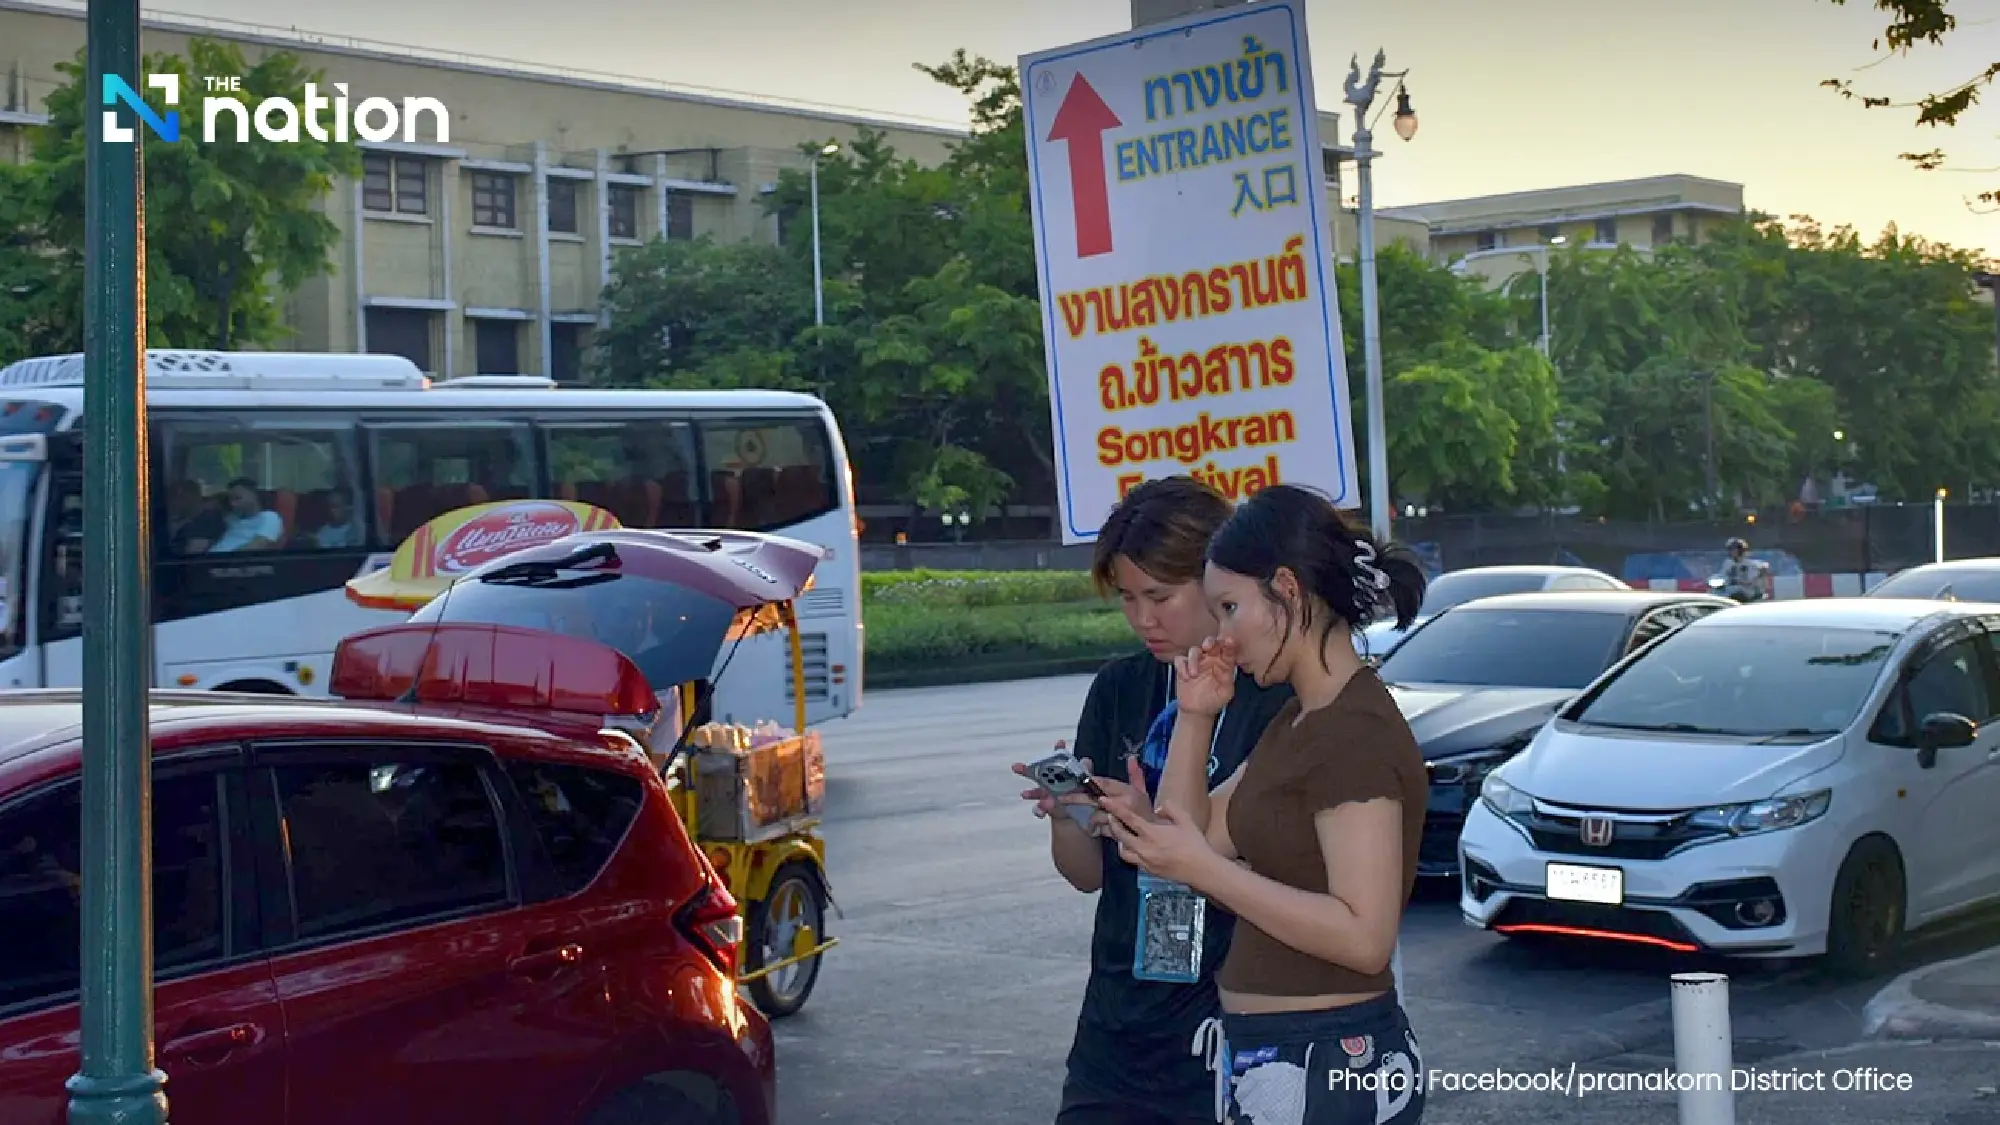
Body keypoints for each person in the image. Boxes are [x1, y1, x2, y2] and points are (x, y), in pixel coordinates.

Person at [1099, 484, 1430, 1125]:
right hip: (1278, 1057)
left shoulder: (1349, 731)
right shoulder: (1300, 719)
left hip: (1329, 1057)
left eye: (1229, 607)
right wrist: (1196, 716)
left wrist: (1204, 870)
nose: (1222, 633)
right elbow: (1190, 833)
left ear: (1285, 591)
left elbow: (1365, 936)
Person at [1012, 476, 1293, 1125]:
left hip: (1230, 1025)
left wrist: (1165, 837)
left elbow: (1289, 879)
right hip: (1116, 1026)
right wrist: (1070, 817)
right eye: (1129, 598)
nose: (1143, 618)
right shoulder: (1119, 687)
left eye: (1160, 596)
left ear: (1218, 580)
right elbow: (1086, 875)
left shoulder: (1271, 697)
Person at [208, 479, 284, 553]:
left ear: (254, 496)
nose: (232, 504)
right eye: (230, 500)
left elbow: (257, 546)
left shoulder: (269, 517)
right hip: (208, 561)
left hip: (235, 562)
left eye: (237, 498)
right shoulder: (231, 519)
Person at [1717, 537, 1772, 602]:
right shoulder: (1727, 563)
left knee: (1735, 590)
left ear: (1741, 550)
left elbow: (1751, 581)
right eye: (1730, 549)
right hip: (1731, 590)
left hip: (1747, 592)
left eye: (1734, 549)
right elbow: (1722, 575)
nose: (1732, 551)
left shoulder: (1749, 564)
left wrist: (1738, 581)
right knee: (1718, 593)